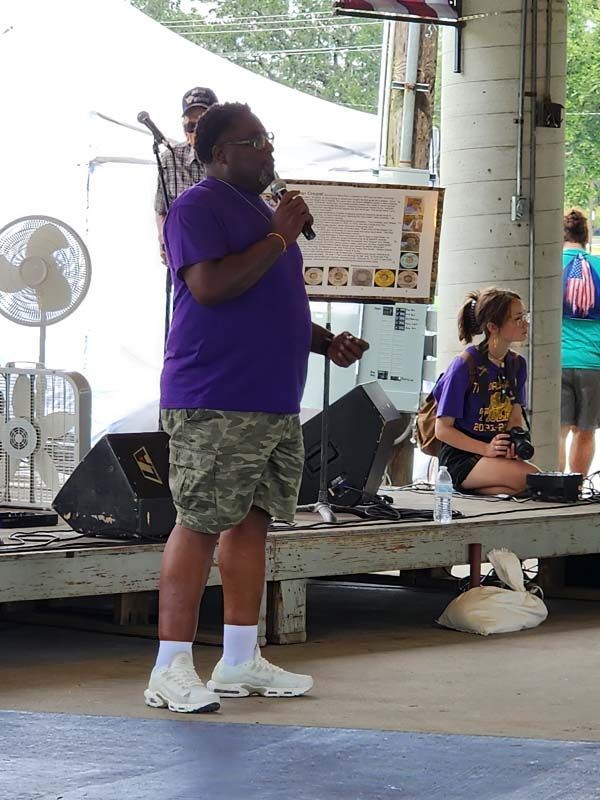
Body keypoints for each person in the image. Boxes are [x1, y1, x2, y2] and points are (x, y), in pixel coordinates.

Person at [144, 101, 369, 713]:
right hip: (215, 398)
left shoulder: (265, 214)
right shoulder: (198, 207)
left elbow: (272, 300)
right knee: (199, 523)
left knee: (253, 522)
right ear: (218, 153)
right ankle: (169, 667)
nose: (268, 149)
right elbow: (212, 287)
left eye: (268, 138)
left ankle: (240, 658)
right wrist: (279, 235)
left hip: (273, 399)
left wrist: (326, 341)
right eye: (253, 141)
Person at [433, 287, 539, 496]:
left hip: (495, 454)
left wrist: (512, 444)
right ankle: (460, 484)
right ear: (493, 326)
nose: (525, 323)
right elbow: (442, 430)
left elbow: (514, 419)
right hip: (462, 457)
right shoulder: (464, 364)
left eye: (525, 316)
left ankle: (467, 491)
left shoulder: (517, 364)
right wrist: (486, 450)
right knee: (533, 481)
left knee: (524, 490)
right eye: (517, 318)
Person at [154, 86, 218, 262]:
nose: (196, 131)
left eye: (203, 124)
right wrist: (163, 239)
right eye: (190, 125)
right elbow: (161, 210)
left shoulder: (232, 157)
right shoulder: (170, 159)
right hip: (184, 256)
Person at [559, 209, 600, 475]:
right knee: (585, 432)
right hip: (593, 362)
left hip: (556, 360)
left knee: (557, 432)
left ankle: (551, 491)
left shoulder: (549, 264)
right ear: (585, 237)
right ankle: (577, 489)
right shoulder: (597, 265)